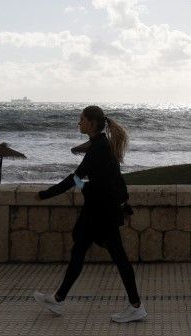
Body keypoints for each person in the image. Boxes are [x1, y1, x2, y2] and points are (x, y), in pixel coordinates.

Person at [33, 105, 146, 323]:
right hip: (98, 210)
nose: (78, 123)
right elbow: (103, 179)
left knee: (119, 257)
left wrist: (45, 194)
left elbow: (76, 177)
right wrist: (83, 182)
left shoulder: (100, 148)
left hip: (103, 213)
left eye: (81, 119)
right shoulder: (101, 144)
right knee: (80, 251)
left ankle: (136, 306)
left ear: (91, 124)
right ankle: (58, 299)